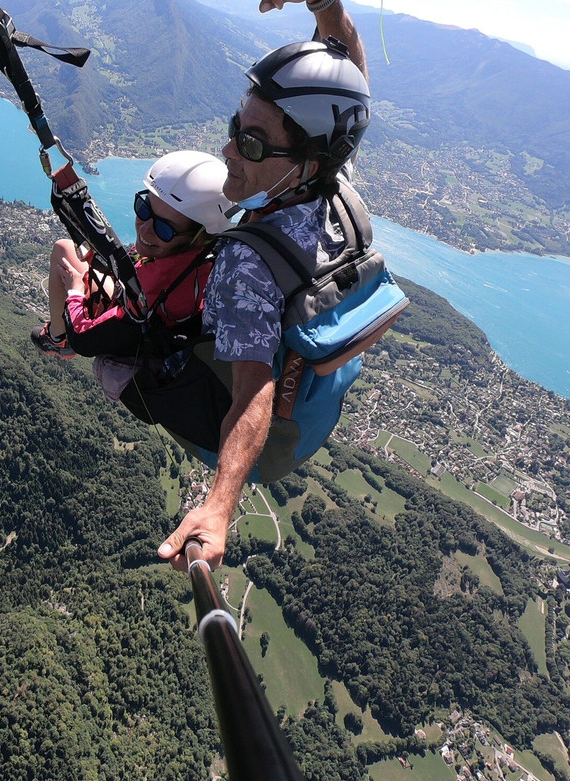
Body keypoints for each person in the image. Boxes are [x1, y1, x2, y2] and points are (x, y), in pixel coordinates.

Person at [157, 0, 372, 571]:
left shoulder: (248, 264)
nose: (228, 149)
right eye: (236, 128)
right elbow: (351, 93)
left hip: (259, 441)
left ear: (303, 161)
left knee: (118, 366)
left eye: (251, 143)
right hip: (310, 423)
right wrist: (329, 11)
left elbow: (253, 391)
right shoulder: (338, 192)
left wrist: (219, 507)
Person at [31, 151, 235, 396]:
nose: (145, 230)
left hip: (133, 328)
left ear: (199, 236)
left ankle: (57, 338)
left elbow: (84, 339)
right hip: (145, 309)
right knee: (84, 254)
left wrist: (75, 290)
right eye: (144, 209)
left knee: (63, 250)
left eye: (164, 229)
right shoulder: (209, 259)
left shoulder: (151, 292)